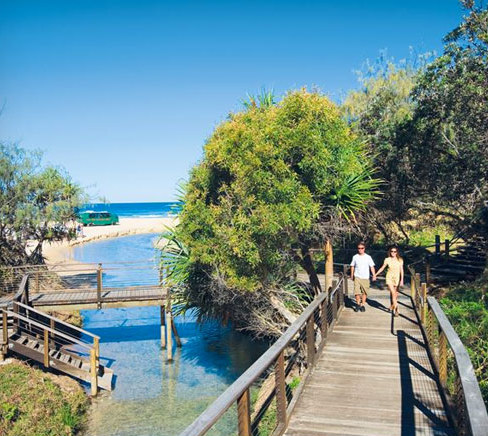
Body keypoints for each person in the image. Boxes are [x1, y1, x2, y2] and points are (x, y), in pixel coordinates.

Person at [375, 246, 404, 316]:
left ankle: (392, 305)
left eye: (395, 251)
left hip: (397, 278)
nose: (393, 253)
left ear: (397, 252)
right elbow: (382, 268)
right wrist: (375, 274)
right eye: (392, 251)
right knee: (393, 293)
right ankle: (396, 309)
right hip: (389, 277)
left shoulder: (400, 260)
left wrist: (402, 280)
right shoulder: (387, 259)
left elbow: (401, 270)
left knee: (395, 294)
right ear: (390, 252)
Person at [350, 242, 376, 312]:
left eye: (362, 248)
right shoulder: (355, 257)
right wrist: (352, 275)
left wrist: (374, 275)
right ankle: (358, 304)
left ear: (364, 249)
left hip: (365, 277)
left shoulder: (368, 257)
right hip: (357, 276)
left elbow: (372, 266)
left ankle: (362, 304)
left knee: (364, 292)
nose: (360, 250)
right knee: (357, 292)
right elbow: (352, 266)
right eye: (359, 248)